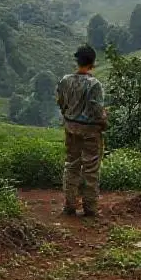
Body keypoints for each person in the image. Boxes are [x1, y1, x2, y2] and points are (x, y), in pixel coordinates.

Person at [55, 44, 108, 217]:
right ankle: (90, 208)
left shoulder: (65, 80)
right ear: (92, 63)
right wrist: (104, 121)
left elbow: (61, 102)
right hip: (90, 132)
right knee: (90, 169)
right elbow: (97, 110)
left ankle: (69, 206)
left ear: (77, 61)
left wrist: (69, 116)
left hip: (71, 129)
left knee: (71, 165)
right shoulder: (94, 84)